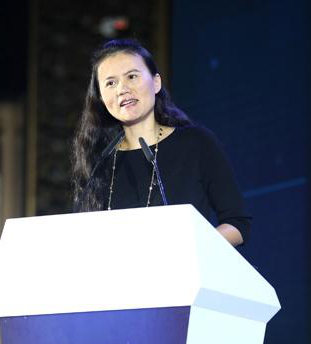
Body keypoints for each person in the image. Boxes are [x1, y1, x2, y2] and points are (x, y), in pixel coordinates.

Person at [71, 39, 251, 246]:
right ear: (102, 98)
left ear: (156, 82)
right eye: (110, 83)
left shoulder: (196, 143)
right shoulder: (98, 162)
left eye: (132, 76)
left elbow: (237, 224)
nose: (122, 89)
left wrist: (192, 248)